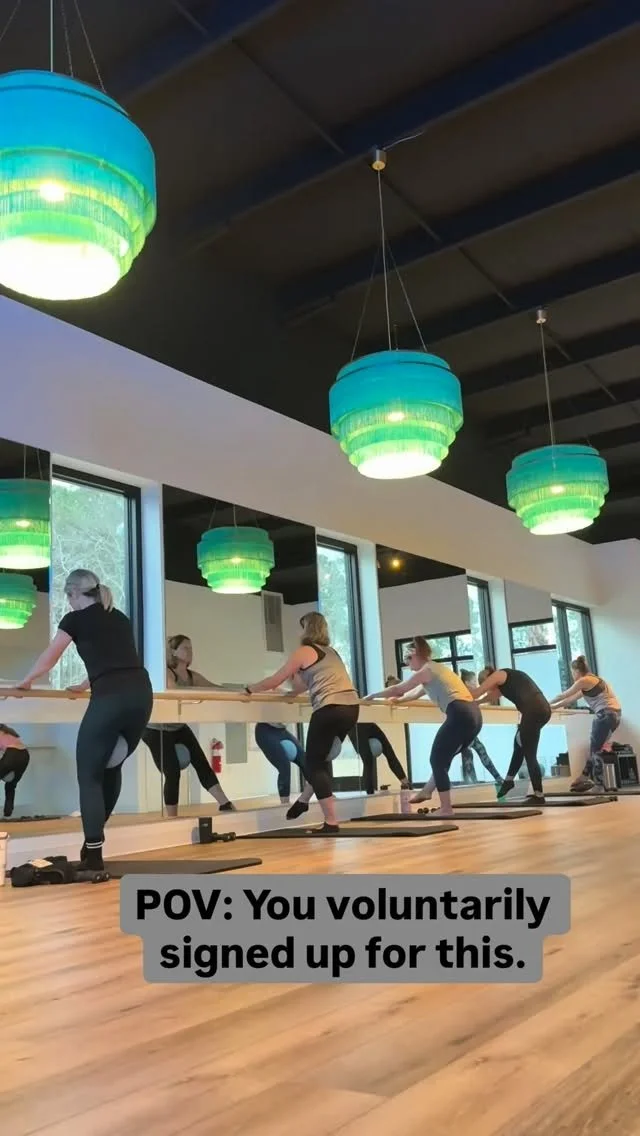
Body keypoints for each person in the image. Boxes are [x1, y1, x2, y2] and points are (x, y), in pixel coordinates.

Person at [17, 569, 153, 870]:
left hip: (110, 697)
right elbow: (116, 659)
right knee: (111, 765)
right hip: (141, 694)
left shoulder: (75, 620)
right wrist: (84, 683)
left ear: (74, 593)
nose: (69, 602)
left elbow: (51, 656)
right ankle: (93, 845)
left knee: (89, 776)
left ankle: (93, 856)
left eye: (69, 597)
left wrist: (26, 680)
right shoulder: (118, 617)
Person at [245, 611, 359, 832]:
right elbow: (303, 685)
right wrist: (291, 694)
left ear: (307, 628)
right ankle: (304, 800)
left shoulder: (305, 651)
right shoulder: (332, 652)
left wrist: (250, 689)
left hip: (329, 708)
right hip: (351, 708)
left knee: (313, 763)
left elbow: (275, 680)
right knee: (322, 758)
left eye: (302, 626)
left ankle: (331, 822)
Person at [365, 637, 481, 817]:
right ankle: (427, 791)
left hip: (460, 714)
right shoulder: (436, 670)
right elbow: (414, 693)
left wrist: (372, 695)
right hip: (474, 716)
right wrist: (399, 701)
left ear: (417, 654)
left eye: (408, 659)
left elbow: (399, 688)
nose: (407, 664)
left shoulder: (427, 670)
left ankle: (446, 808)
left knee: (436, 759)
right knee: (444, 758)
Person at [142, 634, 234, 816]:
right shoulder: (167, 672)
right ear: (174, 652)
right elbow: (173, 691)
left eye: (191, 648)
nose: (190, 651)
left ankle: (225, 804)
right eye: (185, 648)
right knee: (172, 771)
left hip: (177, 726)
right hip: (155, 728)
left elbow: (213, 687)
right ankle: (172, 817)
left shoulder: (192, 676)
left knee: (201, 762)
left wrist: (242, 691)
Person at [473, 666, 550, 803]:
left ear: (488, 679)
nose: (489, 689)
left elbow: (477, 692)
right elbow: (492, 696)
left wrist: (461, 697)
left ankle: (539, 796)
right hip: (541, 709)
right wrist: (477, 703)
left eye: (488, 685)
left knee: (530, 754)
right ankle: (509, 781)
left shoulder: (499, 675)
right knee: (519, 743)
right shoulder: (505, 680)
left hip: (533, 710)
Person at [550, 656, 622, 793]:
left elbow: (563, 695)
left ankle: (598, 785)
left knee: (595, 750)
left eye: (572, 673)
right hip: (615, 716)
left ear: (577, 671)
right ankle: (584, 776)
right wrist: (552, 707)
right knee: (595, 748)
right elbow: (569, 700)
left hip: (605, 714)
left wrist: (545, 704)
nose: (573, 676)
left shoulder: (584, 680)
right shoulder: (593, 681)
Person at [459, 669, 503, 787]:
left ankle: (497, 779)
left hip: (471, 731)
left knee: (480, 753)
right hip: (463, 732)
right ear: (467, 683)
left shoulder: (471, 696)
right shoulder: (462, 695)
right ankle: (472, 784)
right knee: (469, 756)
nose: (476, 684)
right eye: (473, 682)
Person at [348, 722, 408, 793]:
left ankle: (406, 784)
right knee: (368, 761)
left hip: (370, 724)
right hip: (355, 727)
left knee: (390, 753)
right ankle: (370, 794)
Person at [254, 722, 305, 804]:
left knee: (305, 761)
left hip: (282, 730)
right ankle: (285, 804)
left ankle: (316, 796)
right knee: (284, 765)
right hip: (265, 729)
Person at [0, 724, 30, 818]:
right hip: (25, 755)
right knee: (11, 785)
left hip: (12, 754)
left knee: (10, 785)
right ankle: (7, 813)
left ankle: (7, 812)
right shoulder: (10, 733)